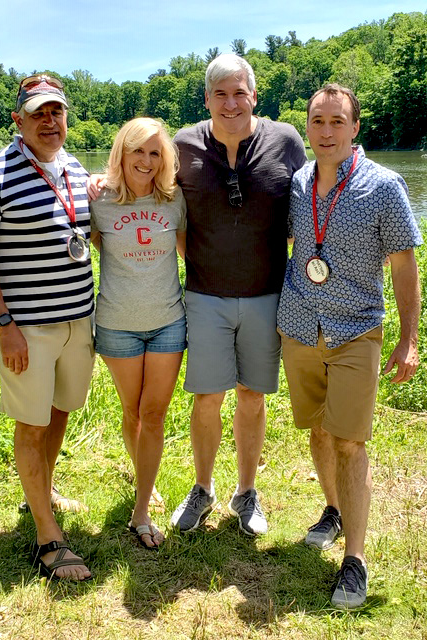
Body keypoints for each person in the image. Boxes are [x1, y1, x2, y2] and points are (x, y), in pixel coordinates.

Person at [277, 83, 422, 608]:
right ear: (308, 126)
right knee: (317, 428)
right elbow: (293, 247)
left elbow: (405, 267)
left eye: (338, 121)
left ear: (356, 127)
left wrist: (408, 340)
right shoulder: (297, 183)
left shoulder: (384, 187)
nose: (327, 131)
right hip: (298, 327)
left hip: (356, 330)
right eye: (318, 121)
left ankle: (354, 561)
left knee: (349, 442)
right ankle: (333, 510)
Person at [0, 74, 95, 581]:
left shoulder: (76, 170)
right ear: (18, 118)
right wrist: (4, 325)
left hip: (77, 321)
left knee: (59, 410)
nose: (48, 121)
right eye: (37, 112)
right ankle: (46, 537)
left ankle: (42, 490)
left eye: (56, 111)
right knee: (31, 423)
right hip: (28, 329)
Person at [170, 54, 306, 535]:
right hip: (205, 294)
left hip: (268, 293)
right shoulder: (183, 144)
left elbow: (310, 200)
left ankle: (246, 492)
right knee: (207, 396)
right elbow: (155, 196)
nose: (231, 102)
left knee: (252, 394)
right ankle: (202, 488)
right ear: (206, 99)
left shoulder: (286, 139)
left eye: (239, 92)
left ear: (254, 96)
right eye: (220, 94)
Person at [90, 118, 187, 549]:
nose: (146, 161)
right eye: (138, 152)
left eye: (155, 153)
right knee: (132, 413)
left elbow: (190, 251)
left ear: (164, 159)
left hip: (168, 321)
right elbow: (93, 245)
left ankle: (141, 510)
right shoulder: (100, 201)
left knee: (153, 414)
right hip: (116, 325)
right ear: (122, 154)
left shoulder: (175, 199)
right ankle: (144, 480)